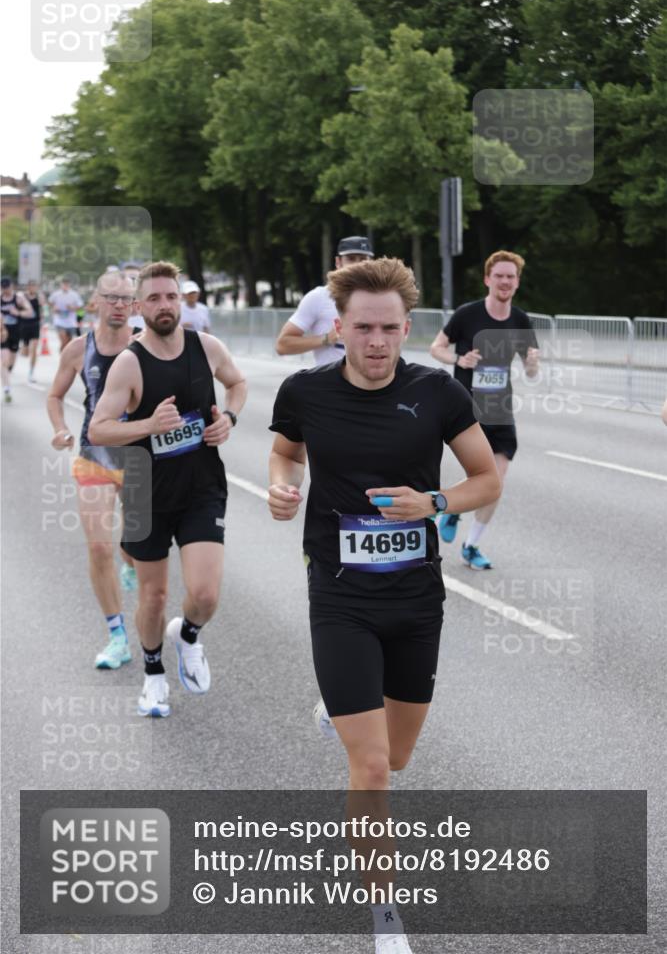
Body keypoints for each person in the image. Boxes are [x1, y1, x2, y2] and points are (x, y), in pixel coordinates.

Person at [268, 257, 500, 954]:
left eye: (389, 329)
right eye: (362, 328)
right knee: (367, 765)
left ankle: (345, 705)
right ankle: (384, 914)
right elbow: (284, 454)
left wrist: (433, 502)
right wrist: (282, 486)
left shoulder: (436, 394)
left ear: (406, 329)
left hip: (414, 597)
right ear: (337, 328)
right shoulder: (304, 392)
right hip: (339, 596)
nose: (375, 342)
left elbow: (484, 480)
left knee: (396, 758)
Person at [89, 260, 247, 719]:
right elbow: (99, 430)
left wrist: (230, 419)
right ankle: (153, 675)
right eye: (154, 298)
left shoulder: (207, 347)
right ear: (140, 306)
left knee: (205, 595)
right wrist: (148, 424)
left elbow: (237, 385)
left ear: (181, 300)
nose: (164, 305)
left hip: (202, 486)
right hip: (144, 492)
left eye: (170, 296)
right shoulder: (128, 364)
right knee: (153, 596)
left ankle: (189, 636)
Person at [47, 272, 140, 670]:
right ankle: (117, 635)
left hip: (141, 458)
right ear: (95, 302)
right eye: (110, 297)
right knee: (99, 546)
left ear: (135, 306)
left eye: (125, 299)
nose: (118, 304)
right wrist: (60, 429)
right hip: (93, 455)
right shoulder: (78, 349)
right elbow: (54, 394)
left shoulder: (146, 345)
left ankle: (130, 558)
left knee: (135, 544)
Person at [429, 250, 539, 569]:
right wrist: (458, 360)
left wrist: (532, 364)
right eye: (499, 276)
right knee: (478, 475)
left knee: (495, 483)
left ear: (517, 283)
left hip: (501, 410)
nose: (505, 281)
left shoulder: (520, 320)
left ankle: (471, 545)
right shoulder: (467, 314)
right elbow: (436, 348)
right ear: (488, 279)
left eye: (511, 276)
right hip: (467, 411)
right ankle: (451, 508)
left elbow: (531, 370)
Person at [275, 236, 374, 365]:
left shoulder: (381, 299)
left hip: (372, 383)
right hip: (330, 383)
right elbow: (282, 345)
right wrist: (326, 339)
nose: (357, 265)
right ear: (338, 262)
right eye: (351, 259)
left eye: (363, 259)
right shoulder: (319, 297)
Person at [1, 276, 33, 401]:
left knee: (10, 362)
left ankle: (7, 375)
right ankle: (6, 389)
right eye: (3, 288)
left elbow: (30, 312)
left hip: (15, 332)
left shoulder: (18, 299)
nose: (5, 290)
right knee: (3, 361)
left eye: (7, 287)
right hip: (2, 334)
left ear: (11, 286)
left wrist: (18, 313)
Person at [20, 281, 46, 382]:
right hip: (23, 324)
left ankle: (31, 372)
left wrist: (43, 313)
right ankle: (23, 348)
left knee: (34, 348)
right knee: (25, 352)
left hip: (35, 324)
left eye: (35, 286)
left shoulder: (39, 296)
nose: (34, 288)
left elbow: (44, 307)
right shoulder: (22, 297)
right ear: (28, 287)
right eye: (32, 286)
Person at [49, 277, 84, 352]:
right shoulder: (56, 294)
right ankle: (62, 358)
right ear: (61, 285)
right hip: (59, 320)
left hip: (70, 321)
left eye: (66, 285)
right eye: (63, 284)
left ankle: (65, 357)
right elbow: (50, 302)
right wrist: (54, 307)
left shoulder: (74, 294)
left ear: (69, 285)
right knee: (63, 340)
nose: (65, 286)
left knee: (68, 342)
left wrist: (73, 308)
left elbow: (80, 305)